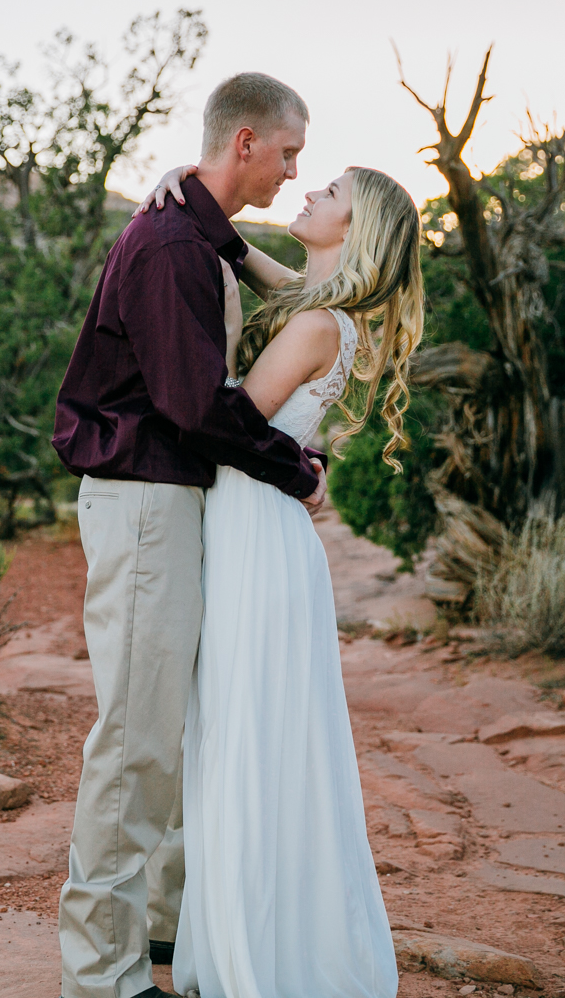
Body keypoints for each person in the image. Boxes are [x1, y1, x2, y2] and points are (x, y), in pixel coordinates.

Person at [51, 72, 327, 998]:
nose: (296, 171)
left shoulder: (196, 231)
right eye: (288, 152)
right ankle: (103, 977)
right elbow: (191, 405)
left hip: (177, 503)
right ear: (245, 141)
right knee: (135, 738)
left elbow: (274, 277)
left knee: (178, 725)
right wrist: (297, 471)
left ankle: (166, 931)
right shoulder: (170, 244)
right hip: (143, 503)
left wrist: (191, 187)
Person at [140, 158, 424, 997]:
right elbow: (242, 256)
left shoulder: (314, 324)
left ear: (355, 229)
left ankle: (256, 951)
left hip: (257, 536)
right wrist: (182, 184)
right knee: (247, 730)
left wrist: (303, 469)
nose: (310, 193)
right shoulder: (316, 307)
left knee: (243, 732)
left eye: (329, 193)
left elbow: (227, 419)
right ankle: (257, 931)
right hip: (257, 529)